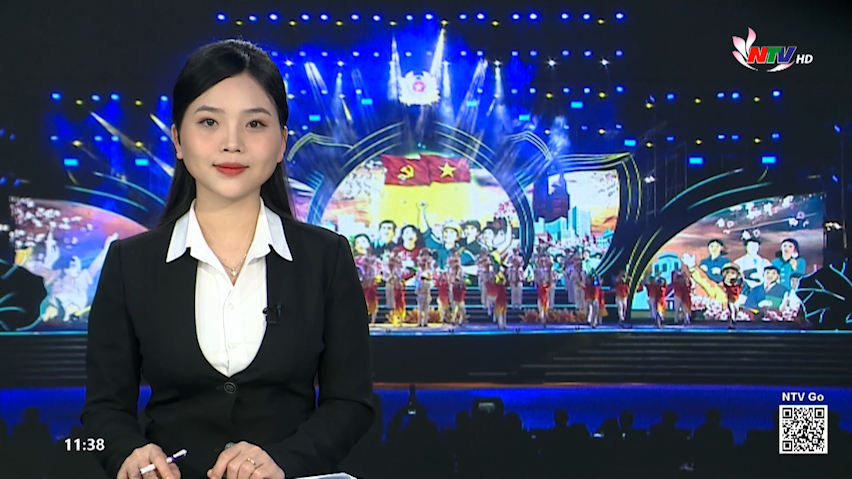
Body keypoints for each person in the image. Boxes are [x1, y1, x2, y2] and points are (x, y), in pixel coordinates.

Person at [81, 40, 374, 479]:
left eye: (255, 123)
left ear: (282, 143)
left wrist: (284, 461)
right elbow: (102, 412)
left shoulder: (326, 258)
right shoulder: (130, 264)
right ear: (178, 139)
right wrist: (127, 453)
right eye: (209, 122)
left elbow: (351, 403)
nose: (232, 143)